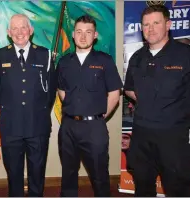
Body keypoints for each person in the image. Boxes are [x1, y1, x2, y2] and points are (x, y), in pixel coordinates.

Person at [123, 5, 190, 197]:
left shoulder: (189, 55)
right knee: (143, 191)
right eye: (146, 24)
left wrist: (183, 110)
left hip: (173, 142)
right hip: (141, 141)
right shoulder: (137, 58)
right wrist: (150, 104)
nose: (151, 28)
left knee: (178, 191)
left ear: (168, 25)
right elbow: (129, 89)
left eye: (156, 23)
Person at [57, 15, 122, 197]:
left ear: (95, 35)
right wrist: (74, 111)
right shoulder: (64, 62)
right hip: (68, 126)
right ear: (73, 35)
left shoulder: (105, 61)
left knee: (99, 174)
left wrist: (97, 117)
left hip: (95, 127)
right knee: (68, 173)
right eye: (79, 32)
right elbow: (62, 92)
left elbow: (115, 95)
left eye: (88, 32)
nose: (83, 36)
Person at [0, 14, 57, 196]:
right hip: (11, 126)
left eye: (23, 28)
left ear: (31, 30)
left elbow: (50, 90)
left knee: (37, 171)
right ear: (8, 32)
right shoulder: (0, 55)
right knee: (13, 173)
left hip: (38, 125)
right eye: (15, 28)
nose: (19, 32)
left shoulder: (44, 54)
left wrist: (40, 112)